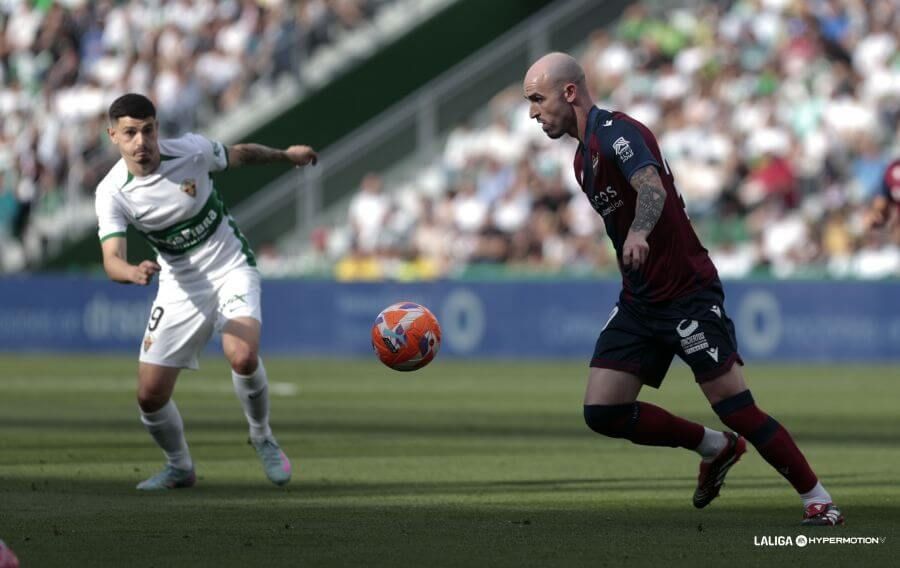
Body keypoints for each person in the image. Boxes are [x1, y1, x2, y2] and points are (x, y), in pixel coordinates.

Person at [523, 53, 843, 526]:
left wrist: (639, 232)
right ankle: (714, 448)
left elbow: (651, 189)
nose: (532, 112)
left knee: (736, 407)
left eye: (537, 98)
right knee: (602, 411)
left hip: (686, 294)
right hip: (639, 300)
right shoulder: (581, 160)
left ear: (569, 92)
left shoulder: (617, 132)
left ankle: (817, 498)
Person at [95, 93, 318, 490]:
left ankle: (261, 435)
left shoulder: (192, 152)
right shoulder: (112, 192)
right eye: (130, 133)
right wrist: (131, 272)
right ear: (114, 136)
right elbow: (111, 257)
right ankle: (180, 467)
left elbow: (241, 154)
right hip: (179, 285)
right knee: (149, 396)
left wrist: (286, 155)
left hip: (231, 266)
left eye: (148, 130)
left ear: (157, 128)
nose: (141, 142)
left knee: (243, 354)